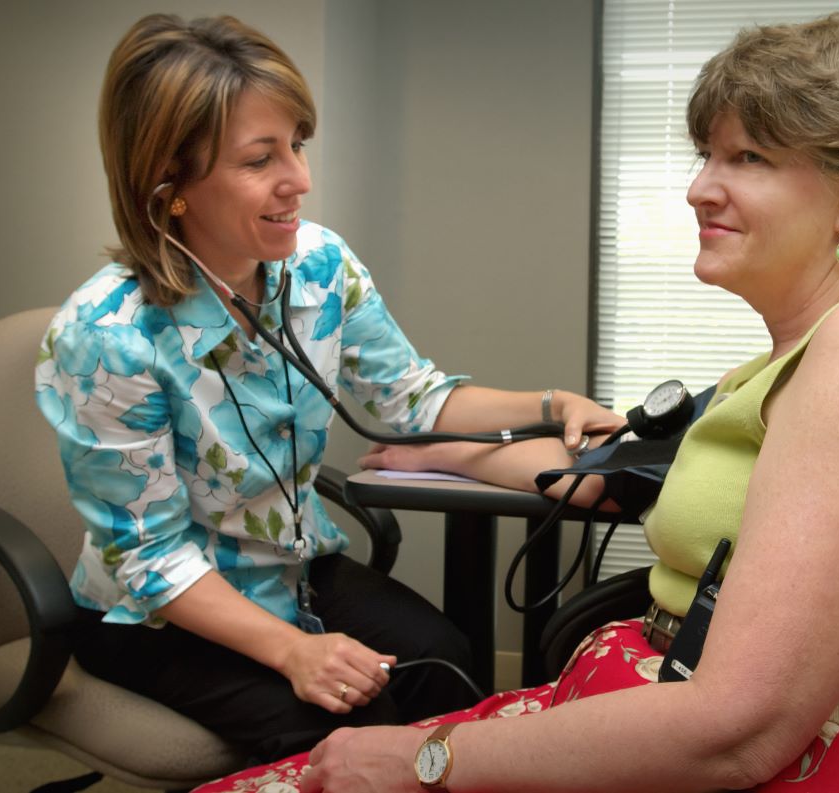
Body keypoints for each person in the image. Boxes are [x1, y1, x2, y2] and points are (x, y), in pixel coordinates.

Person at [193, 12, 839, 792]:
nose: (701, 188)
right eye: (708, 155)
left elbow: (743, 725)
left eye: (749, 159)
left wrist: (427, 759)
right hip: (665, 716)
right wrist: (440, 448)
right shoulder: (774, 369)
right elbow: (599, 473)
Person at [33, 13, 620, 764]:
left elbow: (411, 401)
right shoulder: (105, 336)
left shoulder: (317, 265)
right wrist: (291, 652)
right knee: (339, 730)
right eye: (259, 160)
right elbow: (151, 560)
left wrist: (552, 406)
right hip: (160, 613)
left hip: (292, 568)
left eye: (297, 146)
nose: (300, 181)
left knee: (451, 667)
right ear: (169, 184)